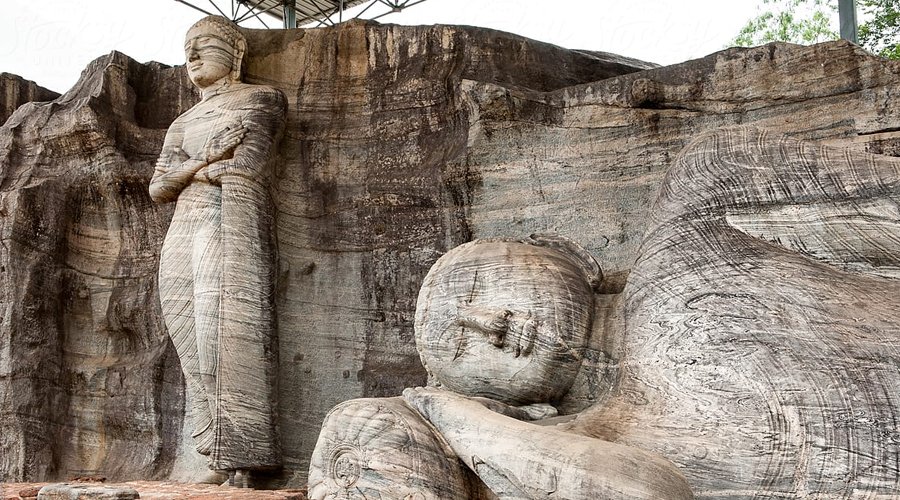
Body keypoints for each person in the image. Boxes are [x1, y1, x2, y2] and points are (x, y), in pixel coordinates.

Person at [309, 236, 693, 499]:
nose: (490, 323)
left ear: (564, 250)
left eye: (480, 286)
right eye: (462, 348)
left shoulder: (688, 208)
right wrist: (466, 422)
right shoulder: (594, 439)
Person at [150, 15, 286, 485]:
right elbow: (158, 187)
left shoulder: (260, 100)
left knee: (218, 336)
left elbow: (247, 166)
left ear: (237, 52)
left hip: (223, 221)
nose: (191, 56)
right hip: (182, 227)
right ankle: (213, 449)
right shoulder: (182, 122)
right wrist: (204, 161)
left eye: (204, 44)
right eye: (186, 48)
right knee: (187, 336)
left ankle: (241, 455)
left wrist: (192, 171)